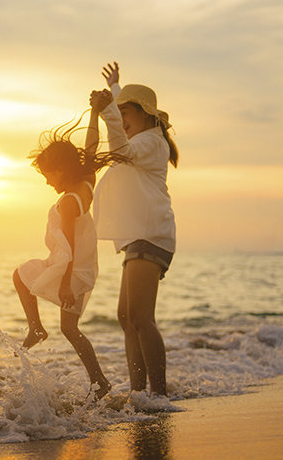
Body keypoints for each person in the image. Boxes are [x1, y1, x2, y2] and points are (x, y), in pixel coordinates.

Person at [14, 112, 127, 400]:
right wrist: (94, 114)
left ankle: (36, 328)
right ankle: (100, 381)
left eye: (48, 175)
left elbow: (68, 246)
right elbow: (89, 152)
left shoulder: (67, 202)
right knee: (69, 328)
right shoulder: (86, 185)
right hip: (83, 269)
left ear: (61, 170)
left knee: (20, 275)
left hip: (69, 268)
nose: (48, 181)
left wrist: (64, 283)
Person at [90, 61, 178, 397]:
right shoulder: (146, 138)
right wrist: (115, 90)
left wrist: (109, 109)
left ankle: (158, 395)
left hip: (151, 234)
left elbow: (122, 151)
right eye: (120, 113)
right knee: (126, 316)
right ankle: (139, 392)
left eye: (127, 113)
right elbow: (124, 134)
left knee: (141, 317)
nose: (122, 120)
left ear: (147, 115)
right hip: (141, 236)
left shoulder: (151, 142)